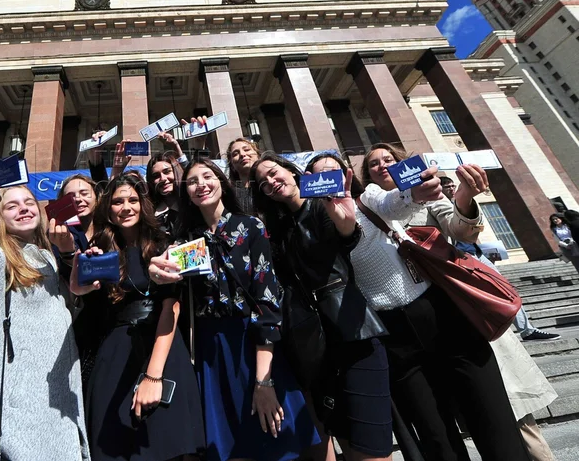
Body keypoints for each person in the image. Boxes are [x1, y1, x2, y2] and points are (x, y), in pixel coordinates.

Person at [352, 143, 530, 461]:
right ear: (367, 175)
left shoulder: (428, 193)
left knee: (494, 416)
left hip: (450, 305)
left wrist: (464, 196)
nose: (382, 165)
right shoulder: (365, 205)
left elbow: (460, 230)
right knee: (437, 431)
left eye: (388, 159)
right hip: (402, 326)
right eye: (373, 164)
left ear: (401, 163)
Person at [150, 157, 318, 461]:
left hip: (254, 344)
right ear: (186, 193)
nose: (201, 185)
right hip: (212, 350)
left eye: (207, 176)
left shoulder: (251, 226)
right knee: (230, 448)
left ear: (221, 182)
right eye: (192, 181)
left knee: (277, 444)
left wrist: (263, 380)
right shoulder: (185, 241)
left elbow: (267, 299)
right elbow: (169, 285)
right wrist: (157, 273)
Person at [251, 153, 393, 461]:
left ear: (292, 171)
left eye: (274, 172)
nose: (271, 182)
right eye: (263, 183)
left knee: (371, 444)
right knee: (345, 436)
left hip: (354, 332)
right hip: (315, 344)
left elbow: (346, 236)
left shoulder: (323, 204)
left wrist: (346, 223)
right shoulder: (279, 228)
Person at [0, 162, 89, 461]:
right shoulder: (0, 258)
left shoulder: (48, 256)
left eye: (29, 202)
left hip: (61, 391)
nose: (24, 208)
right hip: (20, 402)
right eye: (11, 206)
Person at [70, 173, 205, 461]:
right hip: (115, 351)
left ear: (143, 205)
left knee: (166, 445)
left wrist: (153, 376)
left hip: (162, 346)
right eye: (118, 202)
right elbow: (84, 298)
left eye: (132, 200)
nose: (126, 207)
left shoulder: (163, 243)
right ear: (108, 209)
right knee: (113, 445)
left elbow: (172, 307)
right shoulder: (100, 247)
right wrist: (82, 278)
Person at [439, 176, 558, 342]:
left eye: (453, 185)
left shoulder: (460, 205)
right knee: (490, 293)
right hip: (460, 257)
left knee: (505, 289)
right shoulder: (441, 208)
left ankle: (526, 329)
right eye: (447, 187)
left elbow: (473, 231)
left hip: (475, 254)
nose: (452, 189)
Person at [146, 134, 189, 235]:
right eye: (156, 176)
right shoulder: (149, 211)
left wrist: (176, 148)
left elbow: (193, 176)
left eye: (167, 172)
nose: (163, 179)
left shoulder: (190, 201)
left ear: (176, 172)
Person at [226, 137, 261, 213]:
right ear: (231, 165)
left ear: (258, 155)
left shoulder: (272, 183)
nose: (242, 154)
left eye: (247, 150)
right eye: (235, 154)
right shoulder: (228, 194)